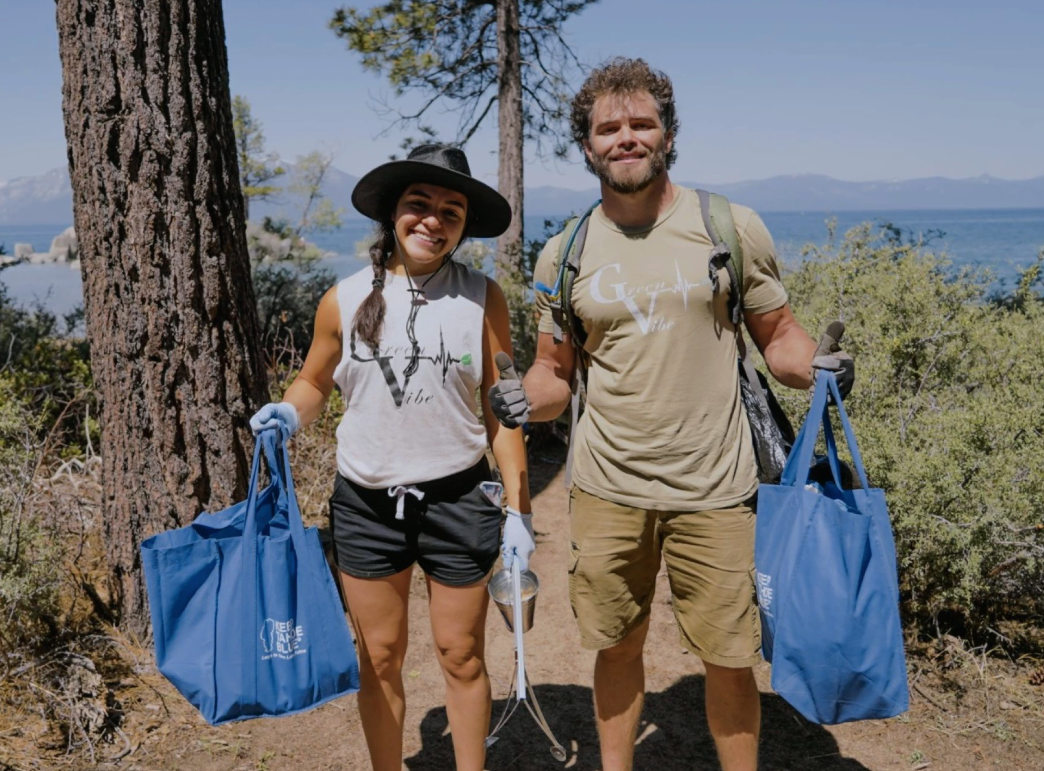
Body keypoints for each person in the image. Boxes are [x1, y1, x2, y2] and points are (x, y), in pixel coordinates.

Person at [487, 59, 854, 771]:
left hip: (716, 489)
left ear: (668, 134)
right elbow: (555, 374)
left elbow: (779, 338)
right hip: (607, 489)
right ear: (587, 145)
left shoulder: (727, 225)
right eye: (609, 128)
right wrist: (521, 399)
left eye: (641, 124)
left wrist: (821, 368)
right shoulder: (563, 255)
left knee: (728, 655)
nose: (626, 137)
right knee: (616, 645)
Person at [250, 143, 535, 771]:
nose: (433, 220)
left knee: (461, 654)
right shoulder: (343, 298)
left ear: (463, 226)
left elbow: (502, 409)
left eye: (450, 211)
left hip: (460, 500)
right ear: (393, 213)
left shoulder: (483, 299)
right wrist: (289, 413)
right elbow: (317, 380)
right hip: (367, 504)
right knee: (377, 656)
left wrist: (518, 510)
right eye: (419, 204)